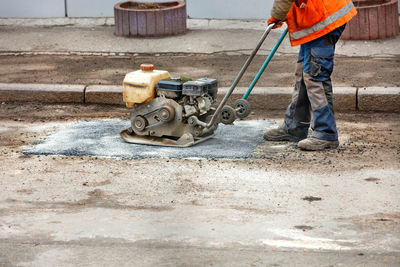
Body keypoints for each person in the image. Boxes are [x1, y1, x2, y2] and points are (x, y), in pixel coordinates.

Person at [264, 0, 357, 151]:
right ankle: (295, 125)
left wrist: (277, 15)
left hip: (323, 17)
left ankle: (326, 133)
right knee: (304, 73)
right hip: (316, 16)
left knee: (316, 77)